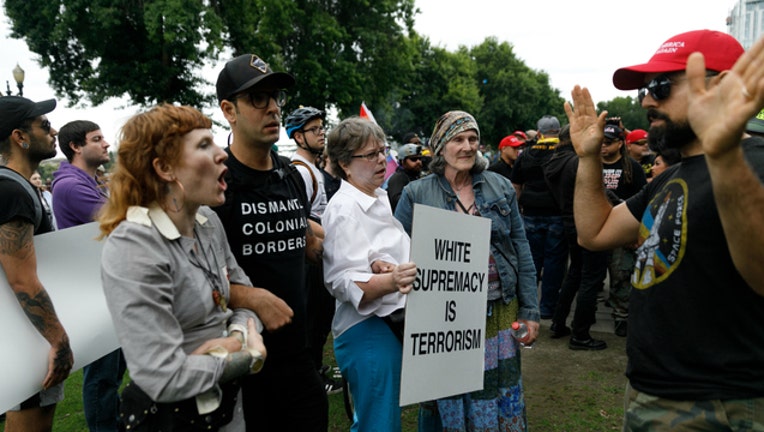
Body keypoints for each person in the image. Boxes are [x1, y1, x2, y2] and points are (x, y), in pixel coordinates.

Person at [566, 29, 764, 429]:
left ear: (723, 85)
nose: (646, 99)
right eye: (644, 88)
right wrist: (588, 159)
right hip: (652, 391)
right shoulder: (669, 176)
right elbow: (596, 232)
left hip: (723, 403)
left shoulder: (756, 164)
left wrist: (723, 154)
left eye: (660, 86)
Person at [98, 104, 266, 431]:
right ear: (165, 168)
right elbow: (163, 376)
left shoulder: (208, 222)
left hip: (226, 410)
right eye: (204, 145)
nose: (223, 155)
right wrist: (247, 356)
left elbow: (245, 302)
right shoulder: (134, 245)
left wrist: (231, 337)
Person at [395, 110, 539, 431]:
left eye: (473, 138)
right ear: (441, 146)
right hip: (445, 317)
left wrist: (529, 311)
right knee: (444, 394)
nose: (467, 146)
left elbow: (522, 250)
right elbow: (396, 252)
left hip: (499, 312)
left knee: (497, 390)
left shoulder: (499, 186)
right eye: (458, 139)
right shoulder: (416, 193)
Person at [212, 53, 328, 431]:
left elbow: (308, 245)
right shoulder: (217, 184)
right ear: (229, 110)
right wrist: (253, 297)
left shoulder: (290, 176)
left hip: (300, 354)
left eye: (275, 97)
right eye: (258, 99)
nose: (273, 108)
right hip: (243, 361)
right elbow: (193, 279)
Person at [322, 116, 417, 431]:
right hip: (367, 330)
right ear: (345, 164)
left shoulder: (375, 197)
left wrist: (381, 261)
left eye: (383, 150)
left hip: (384, 326)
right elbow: (340, 280)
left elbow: (368, 250)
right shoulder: (345, 208)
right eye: (371, 154)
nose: (381, 159)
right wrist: (391, 281)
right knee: (378, 424)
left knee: (382, 419)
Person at [0, 96, 73, 432]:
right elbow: (22, 280)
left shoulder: (15, 187)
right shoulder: (11, 191)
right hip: (23, 338)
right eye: (44, 125)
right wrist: (58, 340)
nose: (53, 130)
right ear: (20, 137)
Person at [50, 120, 125, 431]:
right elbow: (120, 221)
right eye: (97, 139)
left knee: (115, 372)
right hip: (95, 295)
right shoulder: (71, 185)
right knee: (103, 377)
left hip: (109, 288)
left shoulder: (91, 181)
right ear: (76, 147)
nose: (106, 143)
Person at [284, 106, 343, 395]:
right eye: (314, 129)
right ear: (297, 137)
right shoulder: (301, 171)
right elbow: (301, 217)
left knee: (321, 319)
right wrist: (334, 237)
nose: (322, 134)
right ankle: (313, 380)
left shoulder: (313, 169)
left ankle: (316, 371)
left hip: (320, 251)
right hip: (311, 256)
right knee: (313, 320)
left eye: (322, 128)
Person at [542, 125, 609, 350]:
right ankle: (580, 334)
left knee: (576, 273)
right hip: (587, 220)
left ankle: (558, 323)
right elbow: (597, 191)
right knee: (591, 277)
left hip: (569, 220)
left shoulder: (554, 160)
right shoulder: (576, 161)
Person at [511, 115, 568, 319]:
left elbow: (516, 186)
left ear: (539, 133)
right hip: (557, 213)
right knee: (554, 262)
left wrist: (515, 211)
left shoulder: (525, 154)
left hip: (531, 213)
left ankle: (527, 305)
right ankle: (547, 308)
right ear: (559, 131)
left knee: (531, 261)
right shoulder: (564, 153)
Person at [600, 123, 647, 338]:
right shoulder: (591, 165)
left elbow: (641, 201)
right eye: (601, 142)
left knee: (621, 273)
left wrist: (634, 231)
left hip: (621, 227)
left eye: (608, 143)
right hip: (597, 225)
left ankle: (621, 315)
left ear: (620, 144)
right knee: (596, 272)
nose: (603, 147)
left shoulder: (632, 167)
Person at [386, 142, 423, 212]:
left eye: (420, 159)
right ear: (403, 162)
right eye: (413, 159)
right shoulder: (398, 178)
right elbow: (398, 203)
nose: (418, 162)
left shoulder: (415, 176)